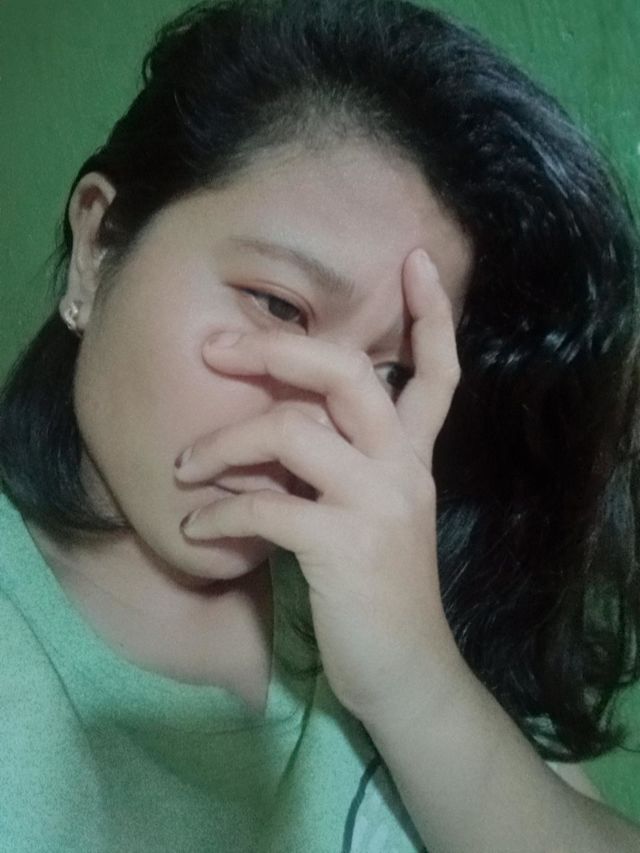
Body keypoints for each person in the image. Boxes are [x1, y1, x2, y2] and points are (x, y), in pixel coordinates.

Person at [1, 0, 639, 849]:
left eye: (391, 373)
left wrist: (416, 676)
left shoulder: (390, 578)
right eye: (278, 305)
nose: (325, 418)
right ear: (98, 246)